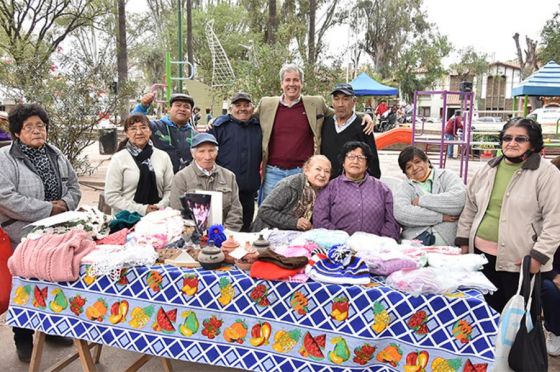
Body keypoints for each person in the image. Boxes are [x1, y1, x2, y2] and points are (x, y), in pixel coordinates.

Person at [0, 103, 80, 362]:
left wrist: (66, 204)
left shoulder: (56, 154)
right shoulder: (5, 158)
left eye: (41, 126)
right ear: (17, 132)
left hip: (56, 232)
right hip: (20, 235)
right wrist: (47, 209)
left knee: (53, 280)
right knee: (23, 286)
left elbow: (74, 186)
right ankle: (22, 336)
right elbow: (5, 198)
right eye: (29, 127)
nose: (37, 131)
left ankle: (52, 329)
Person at [456, 118, 560, 313]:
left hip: (520, 262)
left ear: (533, 144)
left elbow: (555, 221)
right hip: (480, 258)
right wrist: (463, 242)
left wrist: (538, 257)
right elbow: (470, 207)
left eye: (520, 139)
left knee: (516, 321)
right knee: (484, 315)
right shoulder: (488, 168)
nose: (512, 143)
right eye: (507, 138)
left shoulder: (547, 174)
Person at [255, 63, 374, 201]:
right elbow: (246, 116)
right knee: (269, 214)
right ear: (281, 84)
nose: (291, 84)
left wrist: (364, 116)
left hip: (302, 172)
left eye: (296, 80)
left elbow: (339, 112)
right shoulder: (266, 104)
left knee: (302, 214)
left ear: (302, 83)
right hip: (273, 173)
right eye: (288, 80)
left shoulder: (315, 103)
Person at [313, 141, 400, 239]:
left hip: (375, 247)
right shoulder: (330, 188)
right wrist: (341, 239)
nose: (355, 161)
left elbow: (392, 220)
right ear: (343, 162)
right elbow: (320, 219)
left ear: (367, 165)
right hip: (338, 246)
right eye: (351, 157)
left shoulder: (382, 189)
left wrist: (382, 242)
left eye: (361, 158)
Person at [208, 92, 262, 231]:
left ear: (253, 108)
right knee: (219, 230)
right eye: (238, 105)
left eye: (246, 105)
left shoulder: (259, 127)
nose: (242, 109)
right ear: (231, 108)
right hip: (223, 191)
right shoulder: (219, 127)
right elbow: (206, 154)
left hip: (248, 191)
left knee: (244, 230)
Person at [393, 146, 465, 246]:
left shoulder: (447, 176)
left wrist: (421, 201)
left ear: (427, 161)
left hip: (448, 245)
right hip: (414, 243)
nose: (415, 168)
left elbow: (459, 200)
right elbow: (402, 213)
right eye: (409, 167)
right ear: (406, 174)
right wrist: (440, 217)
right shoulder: (404, 186)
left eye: (417, 162)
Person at [169, 133, 243, 231]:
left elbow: (235, 212)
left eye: (211, 151)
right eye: (201, 151)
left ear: (217, 152)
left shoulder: (229, 176)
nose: (207, 156)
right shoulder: (181, 177)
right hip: (193, 237)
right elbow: (177, 212)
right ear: (193, 154)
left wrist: (224, 234)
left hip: (224, 235)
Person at [104, 114, 174, 216]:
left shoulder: (163, 156)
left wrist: (160, 206)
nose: (139, 132)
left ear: (150, 131)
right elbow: (111, 196)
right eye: (133, 129)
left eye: (143, 127)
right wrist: (143, 209)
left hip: (158, 217)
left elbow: (170, 189)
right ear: (127, 133)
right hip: (126, 219)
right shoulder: (119, 158)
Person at [252, 155, 331, 232]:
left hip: (297, 237)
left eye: (327, 171)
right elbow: (264, 210)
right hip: (268, 233)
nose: (322, 174)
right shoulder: (290, 185)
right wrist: (295, 222)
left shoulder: (327, 191)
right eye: (318, 169)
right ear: (306, 170)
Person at [320, 83, 380, 179]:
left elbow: (373, 161)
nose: (340, 104)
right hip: (327, 183)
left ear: (354, 101)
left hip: (352, 185)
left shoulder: (363, 125)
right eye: (336, 99)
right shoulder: (326, 122)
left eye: (345, 99)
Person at [132, 92, 196, 173]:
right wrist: (142, 106)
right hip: (158, 179)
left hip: (185, 181)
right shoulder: (155, 127)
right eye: (178, 105)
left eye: (186, 107)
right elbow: (133, 123)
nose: (182, 109)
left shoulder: (195, 135)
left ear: (191, 112)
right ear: (169, 109)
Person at [542, 155, 560, 356]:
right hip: (550, 270)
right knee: (547, 288)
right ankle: (556, 332)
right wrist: (554, 276)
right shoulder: (547, 209)